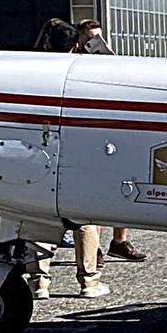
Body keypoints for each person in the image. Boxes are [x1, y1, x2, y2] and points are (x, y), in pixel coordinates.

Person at [26, 16, 109, 297]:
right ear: (75, 45)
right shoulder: (81, 70)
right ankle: (89, 281)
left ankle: (39, 282)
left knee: (38, 216)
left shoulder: (30, 70)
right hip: (77, 149)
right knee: (84, 218)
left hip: (36, 148)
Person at [70, 18, 147, 262]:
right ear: (81, 37)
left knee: (121, 183)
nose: (95, 41)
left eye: (99, 37)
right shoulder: (70, 58)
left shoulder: (104, 60)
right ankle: (94, 249)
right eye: (91, 37)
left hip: (108, 126)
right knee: (93, 189)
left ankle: (119, 240)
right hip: (84, 130)